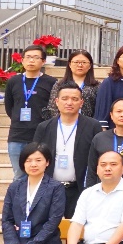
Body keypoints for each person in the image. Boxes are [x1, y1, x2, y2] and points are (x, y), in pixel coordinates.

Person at [34, 82, 104, 214]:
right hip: (50, 188)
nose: (69, 103)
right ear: (56, 101)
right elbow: (36, 157)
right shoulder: (44, 127)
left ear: (81, 103)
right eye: (65, 98)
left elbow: (98, 157)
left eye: (74, 99)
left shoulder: (93, 126)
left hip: (79, 189)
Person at [5, 45, 56, 177]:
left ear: (43, 61)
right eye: (28, 57)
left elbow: (54, 107)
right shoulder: (13, 81)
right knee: (19, 174)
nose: (31, 60)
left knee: (43, 174)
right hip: (17, 135)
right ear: (22, 60)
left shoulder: (51, 82)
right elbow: (9, 107)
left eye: (36, 57)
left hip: (42, 134)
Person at [95, 45, 123, 130]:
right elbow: (102, 112)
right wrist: (103, 132)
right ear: (118, 60)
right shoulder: (109, 83)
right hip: (115, 130)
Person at [46, 50, 98, 119]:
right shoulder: (59, 84)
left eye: (84, 62)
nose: (80, 65)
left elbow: (98, 109)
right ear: (70, 64)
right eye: (76, 62)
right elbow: (52, 107)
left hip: (88, 123)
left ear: (90, 65)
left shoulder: (96, 86)